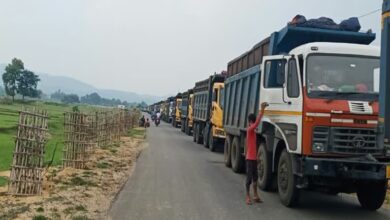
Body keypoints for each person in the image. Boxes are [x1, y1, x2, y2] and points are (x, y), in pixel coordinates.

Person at [245, 102, 268, 205]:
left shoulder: (253, 132)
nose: (253, 124)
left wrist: (257, 157)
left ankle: (255, 195)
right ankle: (247, 197)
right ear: (251, 122)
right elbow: (257, 123)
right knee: (249, 179)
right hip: (249, 159)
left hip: (254, 158)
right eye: (252, 122)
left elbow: (255, 146)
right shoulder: (249, 130)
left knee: (255, 178)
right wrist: (262, 111)